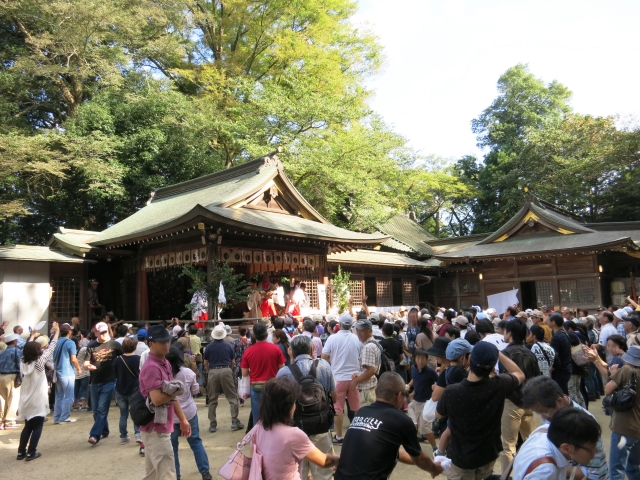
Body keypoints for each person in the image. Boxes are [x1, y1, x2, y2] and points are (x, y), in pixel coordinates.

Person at [436, 342, 526, 479]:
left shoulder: (452, 392)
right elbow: (519, 374)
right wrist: (498, 353)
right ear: (492, 366)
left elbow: (439, 414)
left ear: (469, 359)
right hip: (487, 454)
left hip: (461, 457)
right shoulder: (499, 385)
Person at [335, 372, 443, 479]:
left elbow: (392, 451)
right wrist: (434, 469)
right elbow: (420, 459)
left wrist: (422, 462)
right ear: (400, 395)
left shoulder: (362, 412)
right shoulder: (401, 420)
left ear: (376, 391)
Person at [251, 377, 340, 480]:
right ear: (288, 406)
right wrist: (343, 458)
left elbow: (254, 461)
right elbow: (324, 461)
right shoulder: (293, 435)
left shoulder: (258, 427)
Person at [522, 376, 609, 480]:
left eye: (544, 412)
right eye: (538, 413)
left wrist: (552, 465)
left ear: (559, 401)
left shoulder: (584, 425)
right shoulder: (551, 416)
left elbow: (593, 474)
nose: (543, 417)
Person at [276, 335, 337, 480]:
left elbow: (280, 405)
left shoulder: (284, 373)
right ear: (312, 349)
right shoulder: (323, 366)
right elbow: (334, 397)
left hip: (295, 429)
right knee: (324, 473)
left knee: (298, 472)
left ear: (291, 351)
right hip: (320, 426)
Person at [138, 325, 192, 480]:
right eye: (162, 342)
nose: (166, 345)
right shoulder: (151, 367)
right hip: (155, 427)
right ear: (151, 344)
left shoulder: (165, 363)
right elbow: (157, 399)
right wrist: (176, 391)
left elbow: (169, 395)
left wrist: (182, 419)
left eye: (167, 341)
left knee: (153, 474)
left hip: (159, 425)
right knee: (166, 473)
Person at [499, 318, 542, 472]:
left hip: (511, 402)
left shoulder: (505, 354)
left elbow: (504, 380)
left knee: (508, 445)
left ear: (509, 333)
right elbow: (537, 377)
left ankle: (507, 475)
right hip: (529, 402)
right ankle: (535, 471)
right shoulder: (530, 353)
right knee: (531, 441)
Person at [512, 407, 601, 480]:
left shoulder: (544, 430)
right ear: (567, 448)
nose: (596, 452)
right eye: (591, 448)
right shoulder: (546, 471)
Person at [166, 344, 212, 480]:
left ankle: (176, 476)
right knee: (196, 441)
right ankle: (205, 471)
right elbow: (195, 391)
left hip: (171, 416)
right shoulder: (188, 373)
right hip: (189, 412)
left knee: (172, 448)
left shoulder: (164, 376)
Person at [16, 323, 59, 460]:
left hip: (25, 398)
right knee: (37, 426)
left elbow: (25, 349)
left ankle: (21, 451)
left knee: (27, 426)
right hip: (38, 399)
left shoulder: (23, 362)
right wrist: (56, 332)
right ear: (38, 351)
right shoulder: (39, 363)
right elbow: (51, 347)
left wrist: (33, 335)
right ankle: (31, 452)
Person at [321, 313, 361, 444]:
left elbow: (324, 356)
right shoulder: (356, 338)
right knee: (356, 407)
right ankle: (357, 433)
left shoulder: (332, 338)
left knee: (338, 408)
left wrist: (333, 362)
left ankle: (339, 436)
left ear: (340, 324)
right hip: (355, 378)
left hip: (338, 378)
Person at [603, 345, 640, 480]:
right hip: (637, 430)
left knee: (617, 468)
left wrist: (613, 373)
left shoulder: (627, 370)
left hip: (624, 430)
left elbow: (607, 390)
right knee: (633, 466)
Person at [84, 321, 123, 445]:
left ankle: (94, 435)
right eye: (101, 333)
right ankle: (104, 430)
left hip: (109, 381)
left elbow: (123, 359)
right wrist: (88, 366)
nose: (104, 335)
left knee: (101, 409)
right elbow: (85, 363)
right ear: (95, 333)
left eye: (105, 332)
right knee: (96, 410)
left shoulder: (115, 344)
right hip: (95, 381)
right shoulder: (91, 346)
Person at [241, 321, 285, 428]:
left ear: (254, 335)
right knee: (274, 416)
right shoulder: (276, 349)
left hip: (256, 386)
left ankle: (259, 441)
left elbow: (244, 373)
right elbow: (282, 369)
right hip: (272, 386)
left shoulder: (248, 351)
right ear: (266, 335)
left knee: (257, 417)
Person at [203, 323, 243, 433]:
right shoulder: (229, 346)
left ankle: (212, 424)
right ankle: (234, 421)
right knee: (232, 397)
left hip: (213, 371)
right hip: (226, 369)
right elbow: (233, 362)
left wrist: (209, 371)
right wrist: (229, 369)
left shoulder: (209, 347)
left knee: (212, 398)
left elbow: (205, 362)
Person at [113, 336, 142, 445]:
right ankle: (138, 433)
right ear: (135, 347)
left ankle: (123, 436)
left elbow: (115, 374)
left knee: (123, 414)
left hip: (120, 389)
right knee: (136, 412)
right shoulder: (138, 359)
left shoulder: (117, 360)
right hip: (134, 389)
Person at [406, 349, 438, 448]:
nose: (420, 361)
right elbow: (415, 379)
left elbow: (439, 383)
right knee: (409, 408)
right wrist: (408, 386)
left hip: (427, 403)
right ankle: (417, 425)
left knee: (425, 429)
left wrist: (435, 390)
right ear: (414, 359)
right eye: (418, 358)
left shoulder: (430, 372)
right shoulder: (413, 369)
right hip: (416, 400)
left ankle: (435, 448)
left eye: (423, 358)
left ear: (427, 359)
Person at [52, 323, 82, 424]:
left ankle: (57, 418)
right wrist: (78, 369)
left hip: (57, 371)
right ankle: (64, 417)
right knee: (69, 396)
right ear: (69, 332)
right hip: (67, 371)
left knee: (59, 395)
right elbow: (73, 359)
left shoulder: (56, 341)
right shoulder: (70, 343)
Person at [351, 319, 381, 408]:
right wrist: (359, 375)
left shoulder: (368, 347)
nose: (359, 333)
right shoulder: (374, 343)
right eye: (357, 330)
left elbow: (371, 370)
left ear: (370, 331)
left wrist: (356, 381)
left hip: (369, 390)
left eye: (362, 331)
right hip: (372, 387)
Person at [0, 331, 24, 429]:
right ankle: (10, 421)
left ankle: (1, 421)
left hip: (1, 375)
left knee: (2, 400)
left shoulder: (2, 352)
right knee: (13, 398)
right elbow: (20, 364)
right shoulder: (16, 351)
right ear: (15, 341)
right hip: (12, 376)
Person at [547, 312, 572, 394]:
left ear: (553, 322)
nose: (547, 321)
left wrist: (551, 369)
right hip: (566, 367)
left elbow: (555, 356)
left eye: (548, 320)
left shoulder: (557, 337)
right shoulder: (564, 333)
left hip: (560, 370)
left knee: (561, 394)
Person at [233, 325, 251, 406]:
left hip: (238, 363)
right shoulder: (250, 342)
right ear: (246, 331)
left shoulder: (235, 342)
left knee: (238, 381)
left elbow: (232, 354)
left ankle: (241, 400)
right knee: (249, 380)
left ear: (238, 331)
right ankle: (250, 396)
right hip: (248, 364)